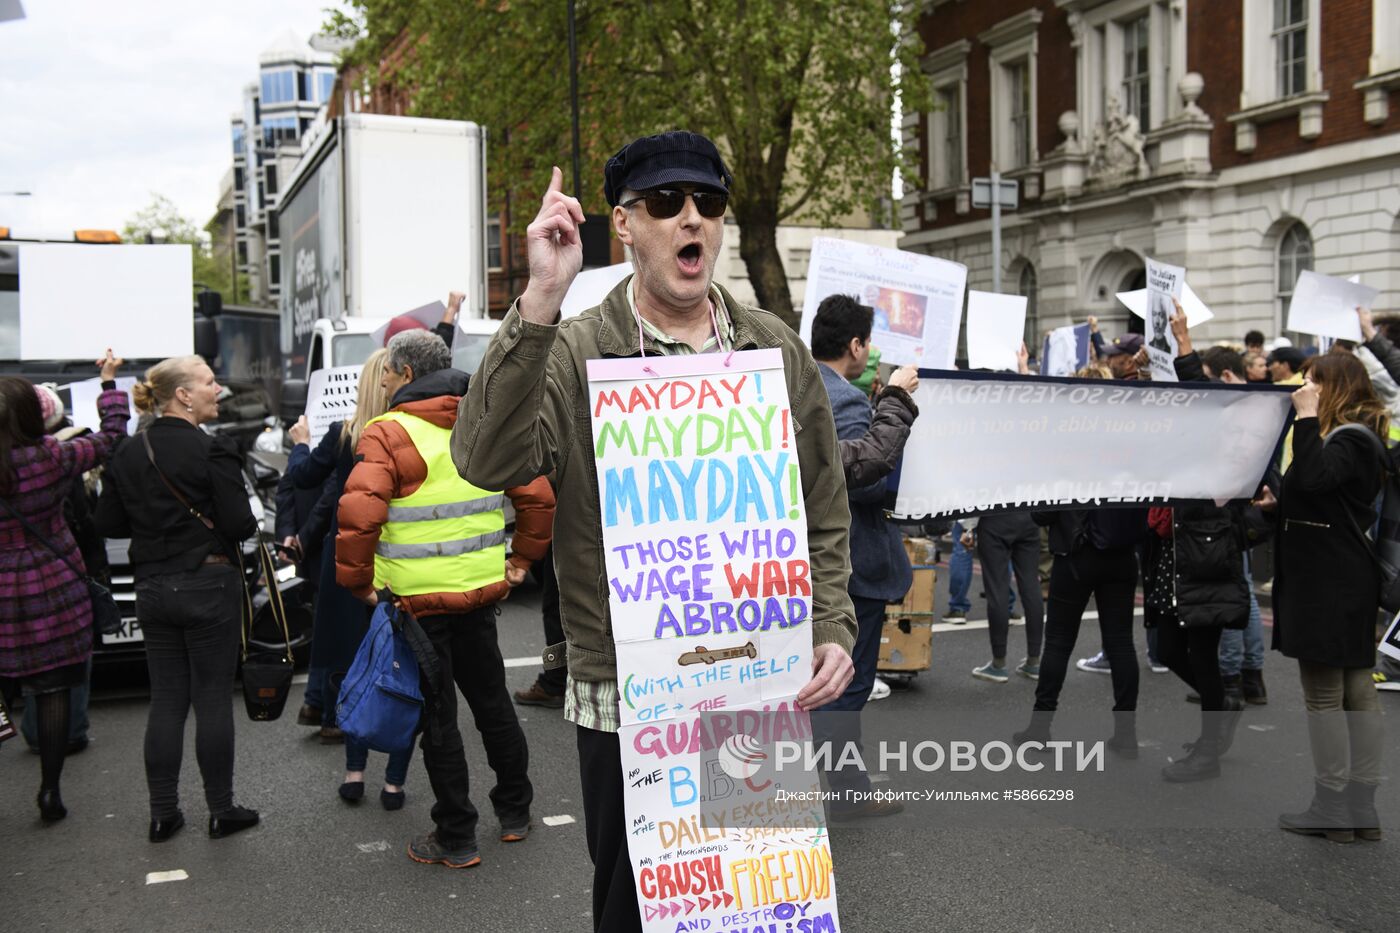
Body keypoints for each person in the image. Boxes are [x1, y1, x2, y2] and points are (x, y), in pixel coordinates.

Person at [451, 132, 857, 932]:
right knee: (637, 907)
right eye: (665, 203)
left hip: (757, 683)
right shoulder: (572, 352)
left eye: (707, 202)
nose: (690, 219)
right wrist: (539, 300)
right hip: (631, 697)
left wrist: (833, 624)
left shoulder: (775, 351)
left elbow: (823, 510)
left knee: (749, 899)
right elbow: (482, 457)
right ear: (626, 225)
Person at [336, 328, 554, 868]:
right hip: (480, 595)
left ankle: (456, 835)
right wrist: (521, 562)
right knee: (493, 704)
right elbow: (538, 496)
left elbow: (359, 516)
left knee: (438, 720)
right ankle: (515, 812)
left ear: (407, 375)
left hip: (416, 606)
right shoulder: (483, 423)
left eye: (387, 372)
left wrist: (358, 583)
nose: (383, 381)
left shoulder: (388, 432)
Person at [95, 355, 260, 842]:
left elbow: (108, 524)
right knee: (211, 699)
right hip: (209, 583)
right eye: (209, 383)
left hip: (153, 587)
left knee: (166, 699)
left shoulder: (127, 452)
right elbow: (239, 525)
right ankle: (221, 809)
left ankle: (163, 813)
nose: (218, 390)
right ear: (183, 395)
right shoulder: (214, 451)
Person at [0, 356, 127, 822]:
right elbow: (111, 438)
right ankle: (50, 791)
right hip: (50, 591)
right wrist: (109, 383)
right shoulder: (49, 459)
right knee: (52, 690)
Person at [287, 349, 414, 806]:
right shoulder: (406, 433)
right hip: (397, 558)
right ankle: (393, 783)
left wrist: (300, 441)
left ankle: (354, 773)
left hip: (348, 561)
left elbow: (303, 476)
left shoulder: (347, 434)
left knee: (354, 667)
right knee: (402, 670)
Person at [809, 293, 916, 817]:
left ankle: (837, 785)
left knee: (821, 679)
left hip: (814, 561)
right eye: (867, 342)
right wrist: (892, 408)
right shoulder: (845, 399)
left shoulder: (800, 387)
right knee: (846, 685)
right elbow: (864, 482)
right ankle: (849, 793)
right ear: (855, 345)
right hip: (853, 563)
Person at [1273, 353, 1387, 842]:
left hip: (1327, 580)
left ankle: (1334, 807)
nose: (1304, 386)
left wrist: (1302, 417)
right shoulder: (1359, 433)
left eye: (1313, 380)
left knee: (1328, 697)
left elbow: (1316, 477)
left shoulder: (1348, 437)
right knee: (1358, 692)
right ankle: (1360, 809)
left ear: (1333, 385)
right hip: (1344, 576)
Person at [19, 384, 105, 756]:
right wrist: (109, 386)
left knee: (22, 667)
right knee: (66, 662)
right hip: (57, 577)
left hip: (10, 585)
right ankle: (66, 737)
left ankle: (28, 729)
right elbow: (83, 523)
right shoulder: (55, 459)